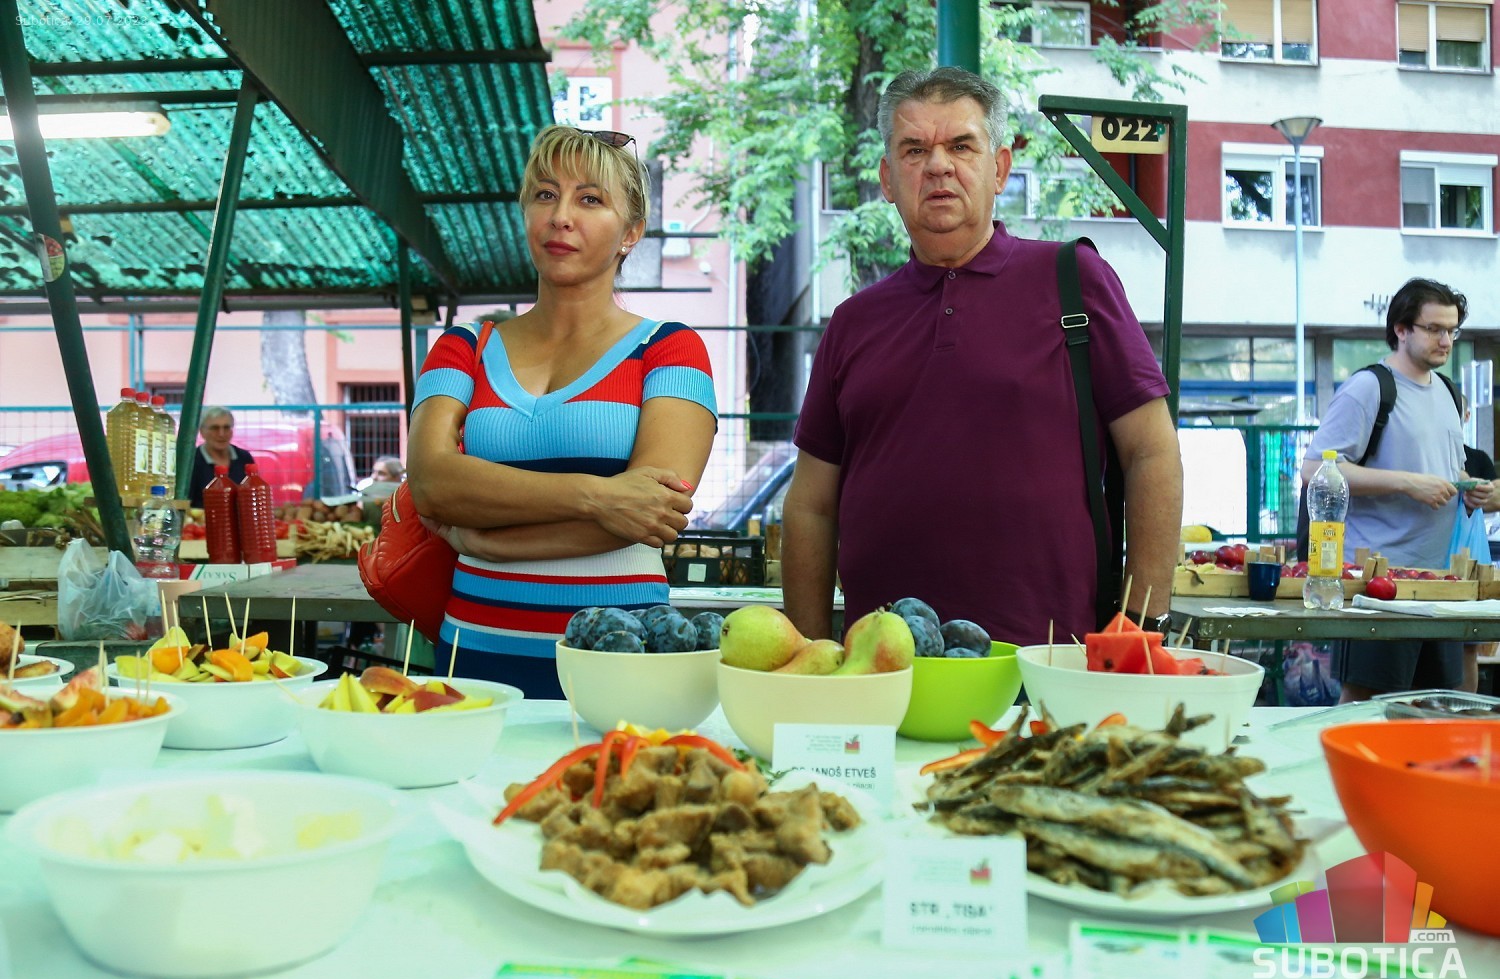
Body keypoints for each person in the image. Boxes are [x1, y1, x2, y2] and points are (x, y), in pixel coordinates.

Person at [782, 67, 1182, 646]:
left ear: (999, 168)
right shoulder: (853, 323)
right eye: (914, 150)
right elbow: (810, 507)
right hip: (884, 664)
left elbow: (1152, 452)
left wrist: (1143, 626)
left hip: (1048, 662)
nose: (938, 166)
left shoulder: (1075, 280)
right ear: (888, 179)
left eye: (961, 146)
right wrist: (811, 654)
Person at [407, 125, 717, 698]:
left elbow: (653, 511)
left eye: (590, 199)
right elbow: (430, 483)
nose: (561, 216)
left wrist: (489, 543)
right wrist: (600, 496)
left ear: (630, 232)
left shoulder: (671, 348)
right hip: (473, 652)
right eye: (545, 195)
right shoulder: (463, 346)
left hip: (620, 659)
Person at [1303, 278, 1492, 701]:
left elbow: (1447, 469)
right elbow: (1314, 469)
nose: (1446, 341)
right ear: (1401, 329)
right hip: (1378, 585)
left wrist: (1470, 488)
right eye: (1434, 329)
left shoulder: (1447, 391)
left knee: (1436, 707)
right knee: (1366, 707)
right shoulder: (1369, 387)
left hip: (1439, 583)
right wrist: (1406, 483)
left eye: (1452, 330)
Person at [1460, 395, 1496, 693]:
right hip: (1428, 558)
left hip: (1469, 560)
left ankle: (1463, 713)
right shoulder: (1422, 459)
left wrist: (1474, 493)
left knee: (1467, 645)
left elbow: (1493, 496)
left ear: (1466, 416)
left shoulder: (1477, 459)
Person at [186, 406, 252, 507]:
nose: (221, 434)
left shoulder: (244, 458)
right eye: (215, 428)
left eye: (226, 428)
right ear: (202, 432)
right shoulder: (191, 462)